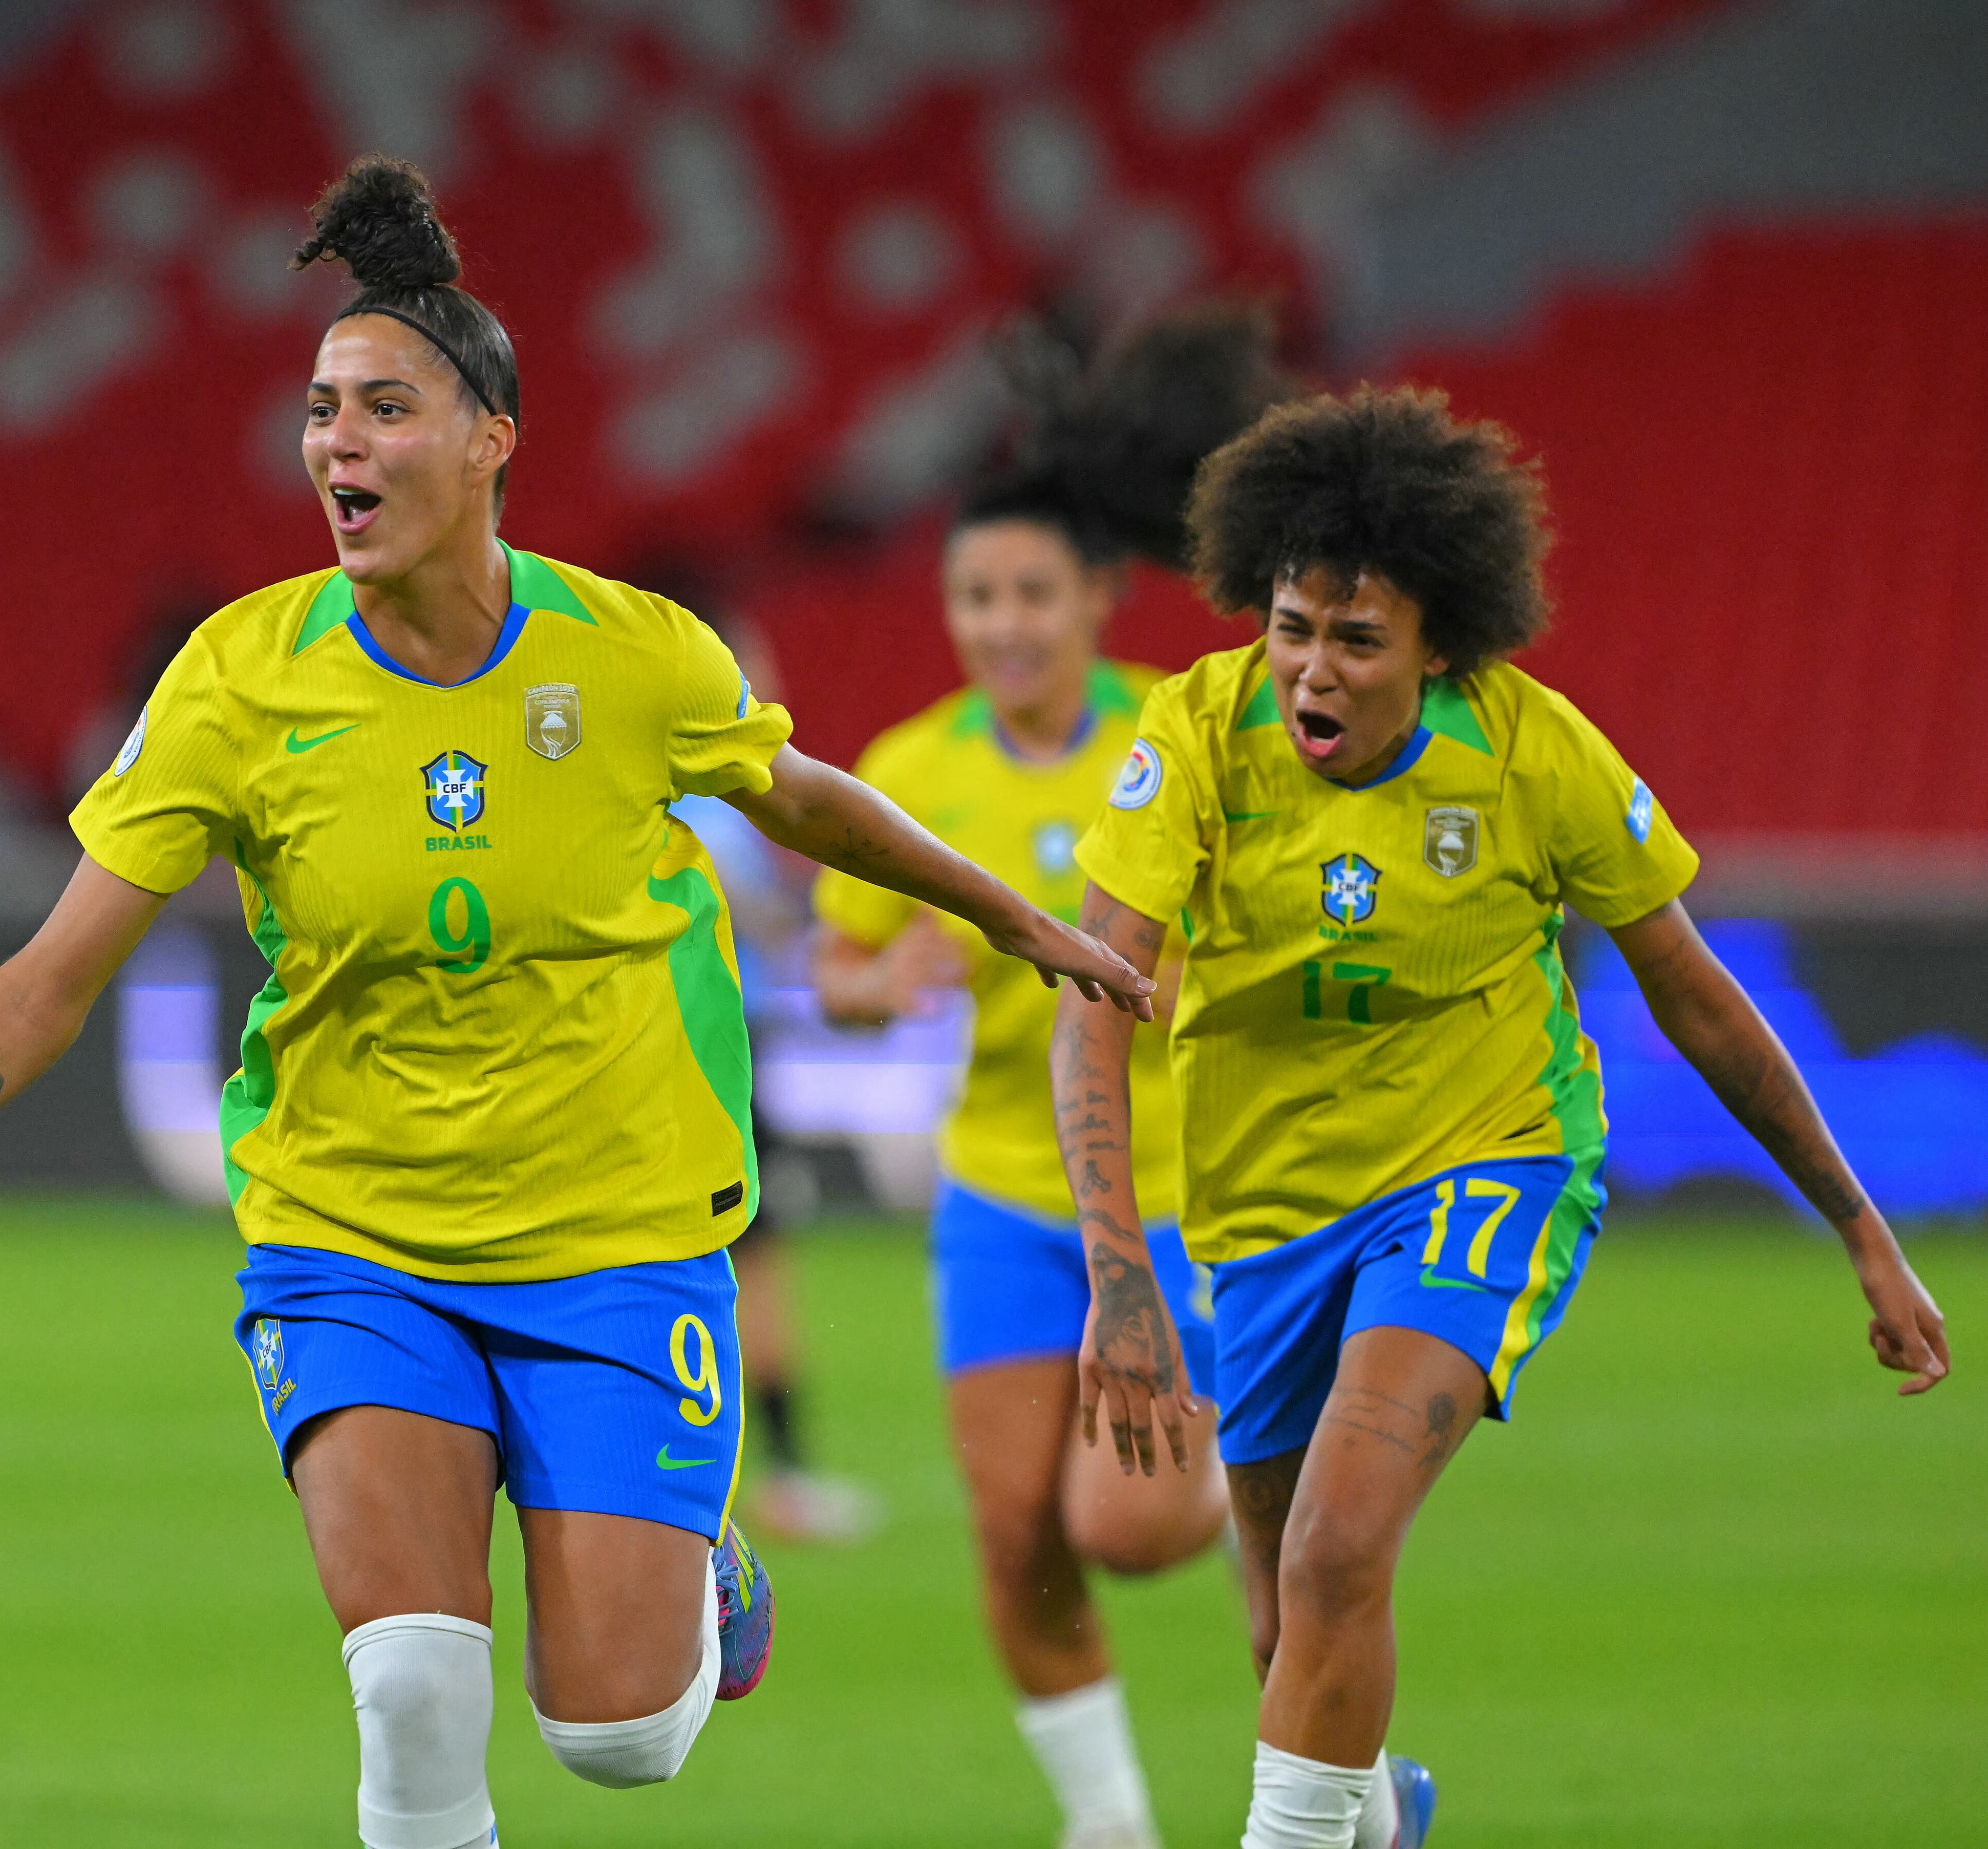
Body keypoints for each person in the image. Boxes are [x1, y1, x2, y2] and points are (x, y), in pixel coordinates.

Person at [0, 155, 1151, 1849]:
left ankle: (699, 1570)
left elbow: (803, 797)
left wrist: (1014, 917)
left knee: (619, 1741)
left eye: (384, 408)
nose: (338, 444)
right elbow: (47, 983)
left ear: (490, 441)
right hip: (353, 1242)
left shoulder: (632, 655)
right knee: (415, 1694)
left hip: (612, 1236)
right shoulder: (237, 682)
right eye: (320, 411)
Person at [1054, 385, 1952, 1849]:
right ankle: (1378, 1814)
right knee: (1286, 1618)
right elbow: (1094, 1001)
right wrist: (1119, 1273)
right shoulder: (1199, 732)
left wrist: (1858, 1224)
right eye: (1291, 627)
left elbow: (1696, 996)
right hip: (1260, 1213)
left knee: (1340, 1547)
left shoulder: (1534, 755)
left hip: (1484, 1164)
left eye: (1358, 640)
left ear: (1441, 646)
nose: (1311, 670)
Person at [810, 305, 1296, 1849]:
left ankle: (1249, 1493)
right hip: (1006, 1198)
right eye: (974, 595)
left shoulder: (1182, 731)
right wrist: (881, 983)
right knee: (1018, 1531)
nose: (1001, 623)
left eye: (1030, 592)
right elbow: (835, 971)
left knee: (1127, 1528)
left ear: (1097, 594)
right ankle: (1111, 1824)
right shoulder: (912, 770)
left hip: (1185, 1201)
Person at [664, 592, 884, 1546]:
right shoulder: (714, 804)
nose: (769, 685)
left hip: (672, 1058)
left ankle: (674, 1483)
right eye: (749, 665)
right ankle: (777, 1481)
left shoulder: (660, 793)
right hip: (708, 1062)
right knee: (751, 1268)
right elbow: (748, 916)